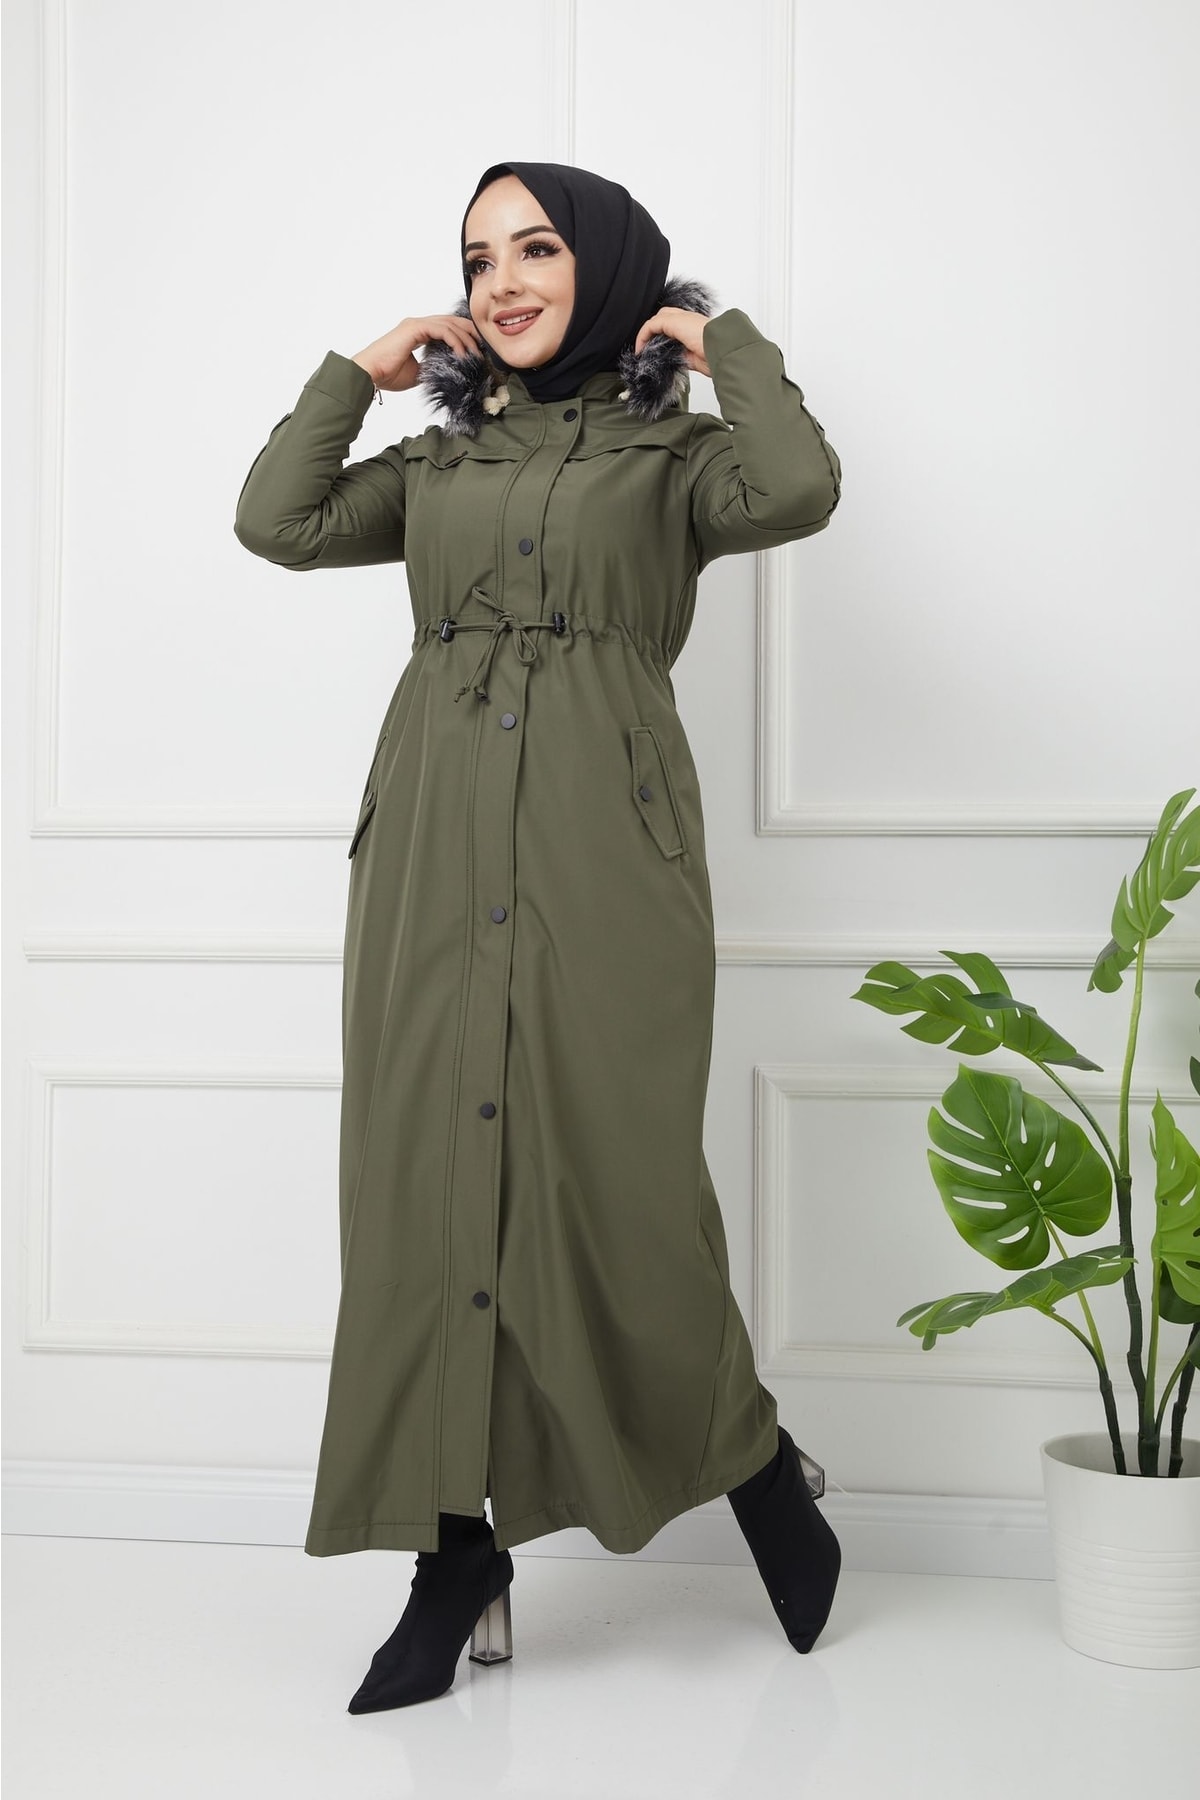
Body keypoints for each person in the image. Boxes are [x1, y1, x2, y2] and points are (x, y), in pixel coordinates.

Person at [234, 159, 843, 1712]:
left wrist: (719, 340)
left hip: (604, 848)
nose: (500, 282)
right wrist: (359, 372)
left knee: (618, 1182)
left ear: (611, 268)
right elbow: (276, 522)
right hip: (432, 846)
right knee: (425, 1183)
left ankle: (756, 1467)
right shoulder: (438, 462)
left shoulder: (677, 456)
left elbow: (798, 489)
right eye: (476, 258)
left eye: (538, 249)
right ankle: (455, 1554)